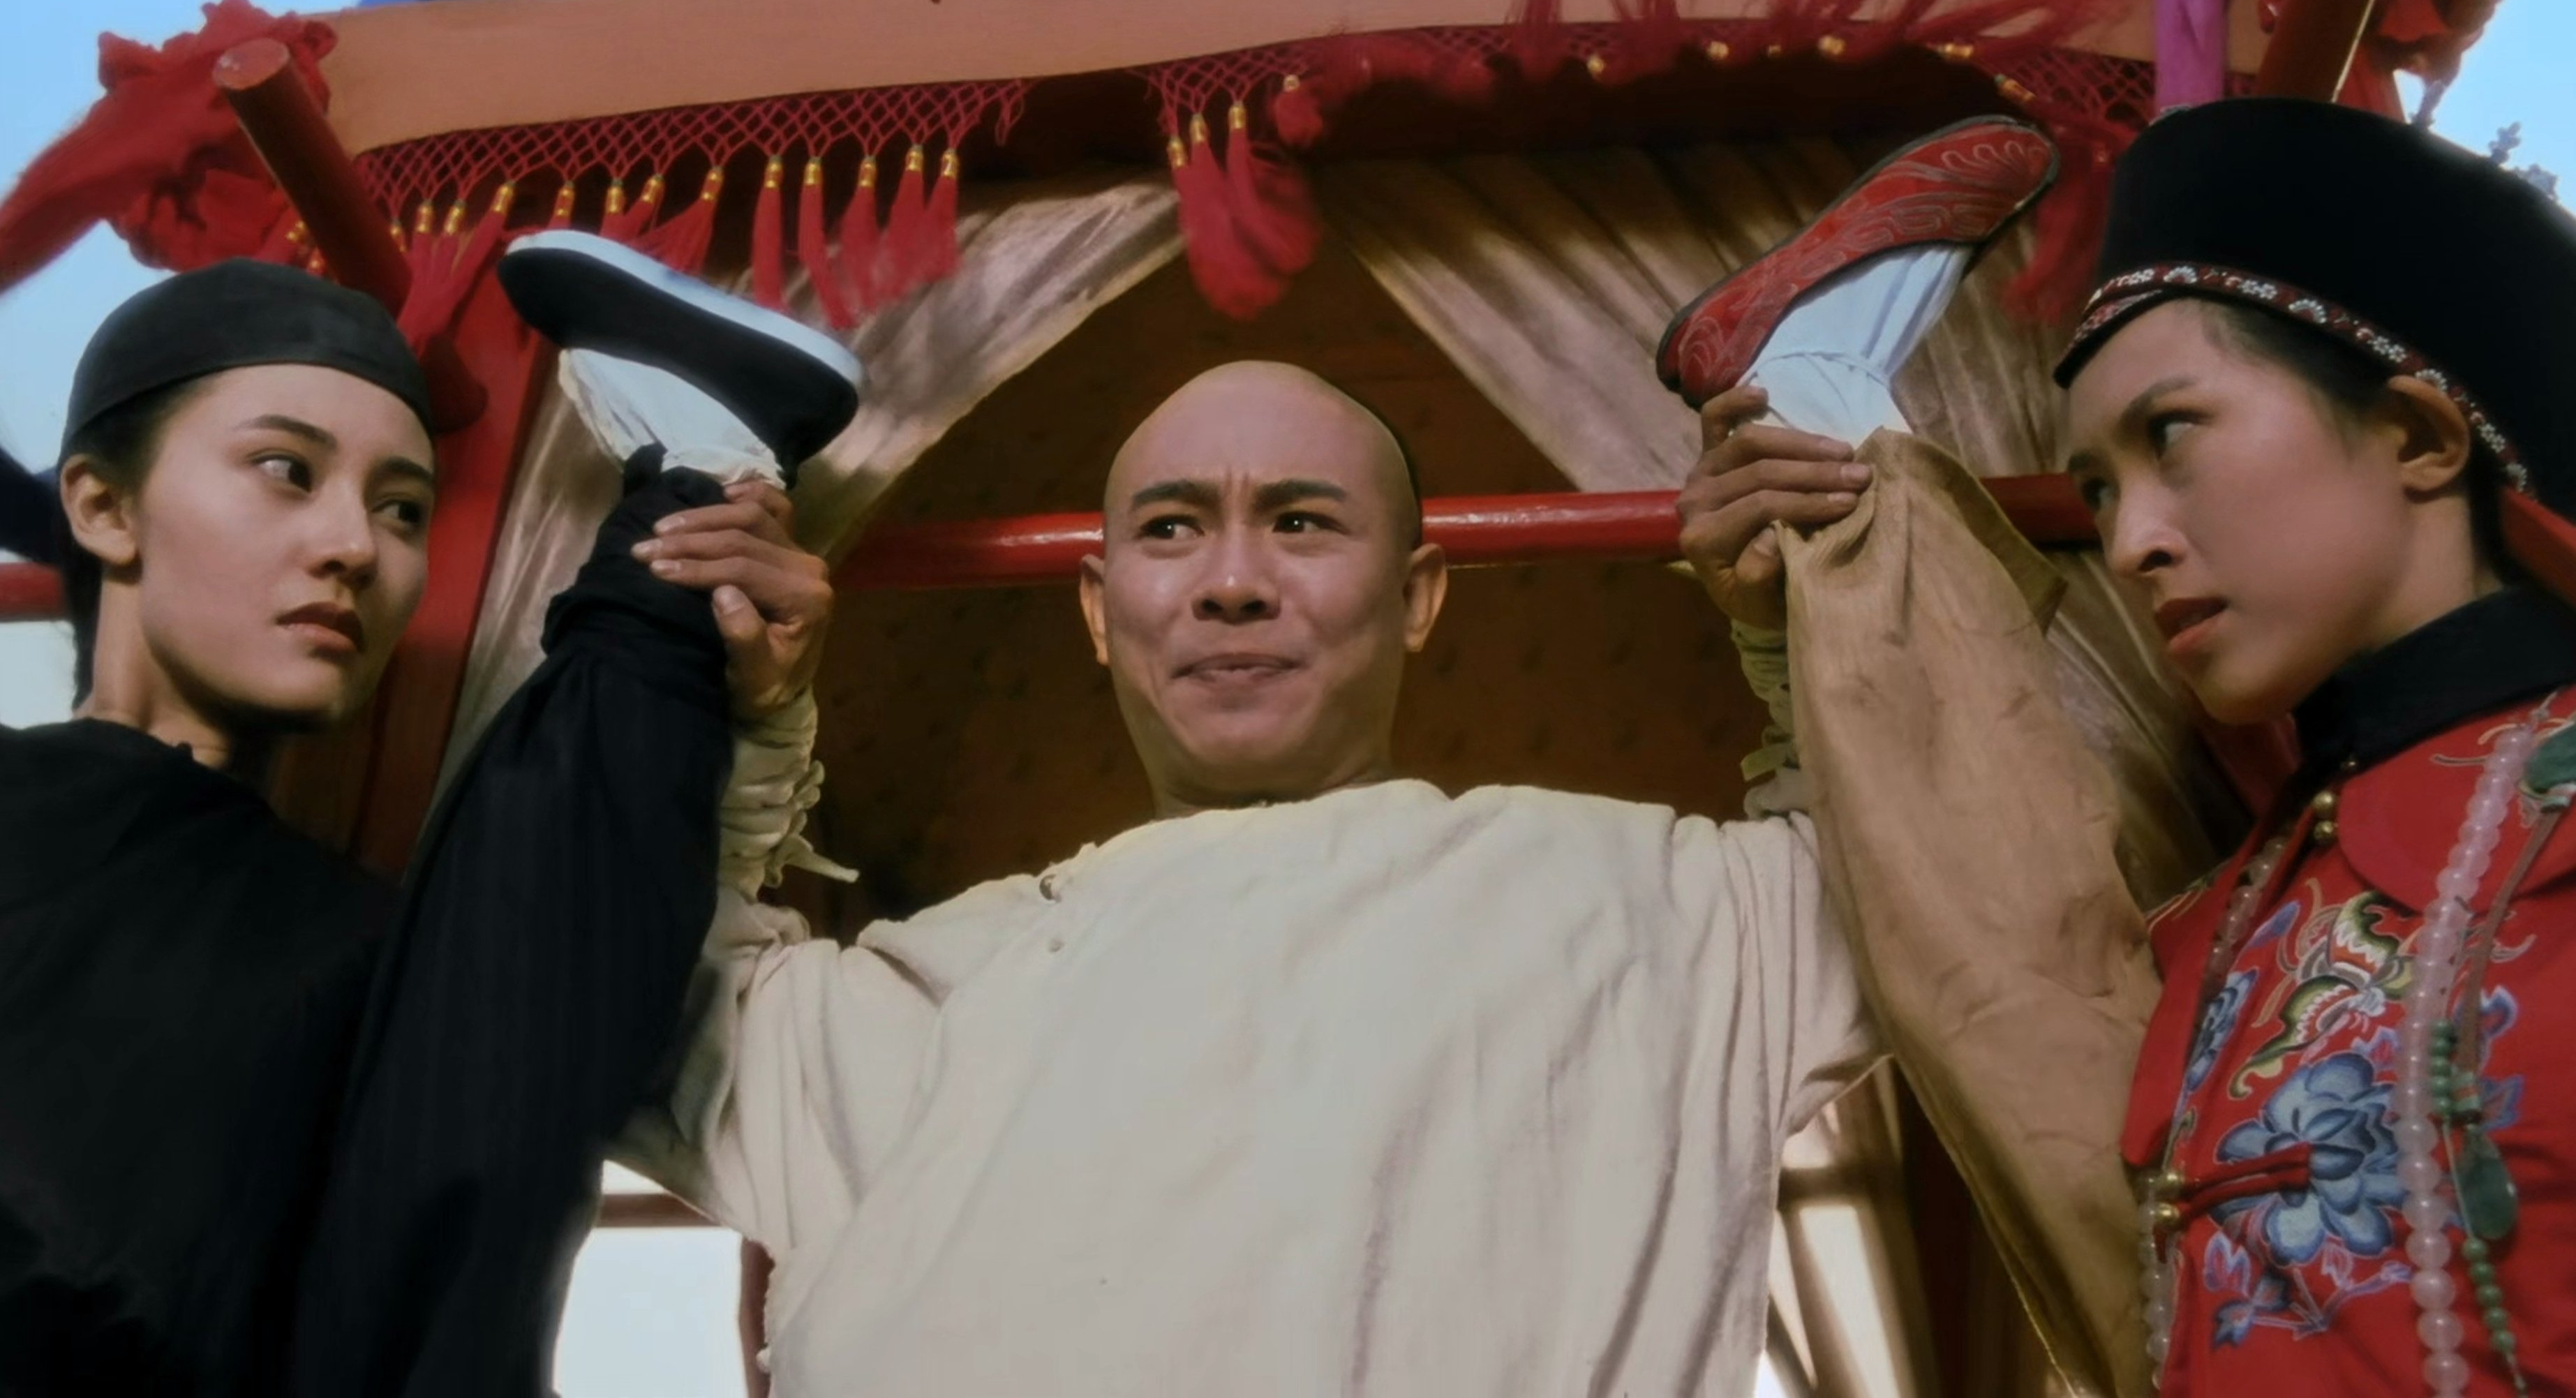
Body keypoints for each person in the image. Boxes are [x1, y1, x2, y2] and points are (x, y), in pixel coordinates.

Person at [588, 118, 2063, 1394]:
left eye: (1300, 522)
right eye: (1172, 529)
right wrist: (743, 699)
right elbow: (608, 1004)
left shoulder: (1647, 909)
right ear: (1099, 610)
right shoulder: (923, 996)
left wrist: (1800, 598)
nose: (1233, 583)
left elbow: (1953, 878)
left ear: (1417, 597)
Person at [1703, 97, 2576, 1396]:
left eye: (2173, 438)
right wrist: (1813, 589)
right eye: (2100, 490)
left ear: (2418, 436)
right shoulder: (2228, 924)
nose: (2127, 544)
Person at [0, 251, 852, 1395]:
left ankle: (691, 492)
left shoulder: (380, 954)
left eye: (402, 509)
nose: (356, 547)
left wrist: (696, 629)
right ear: (106, 507)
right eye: (285, 469)